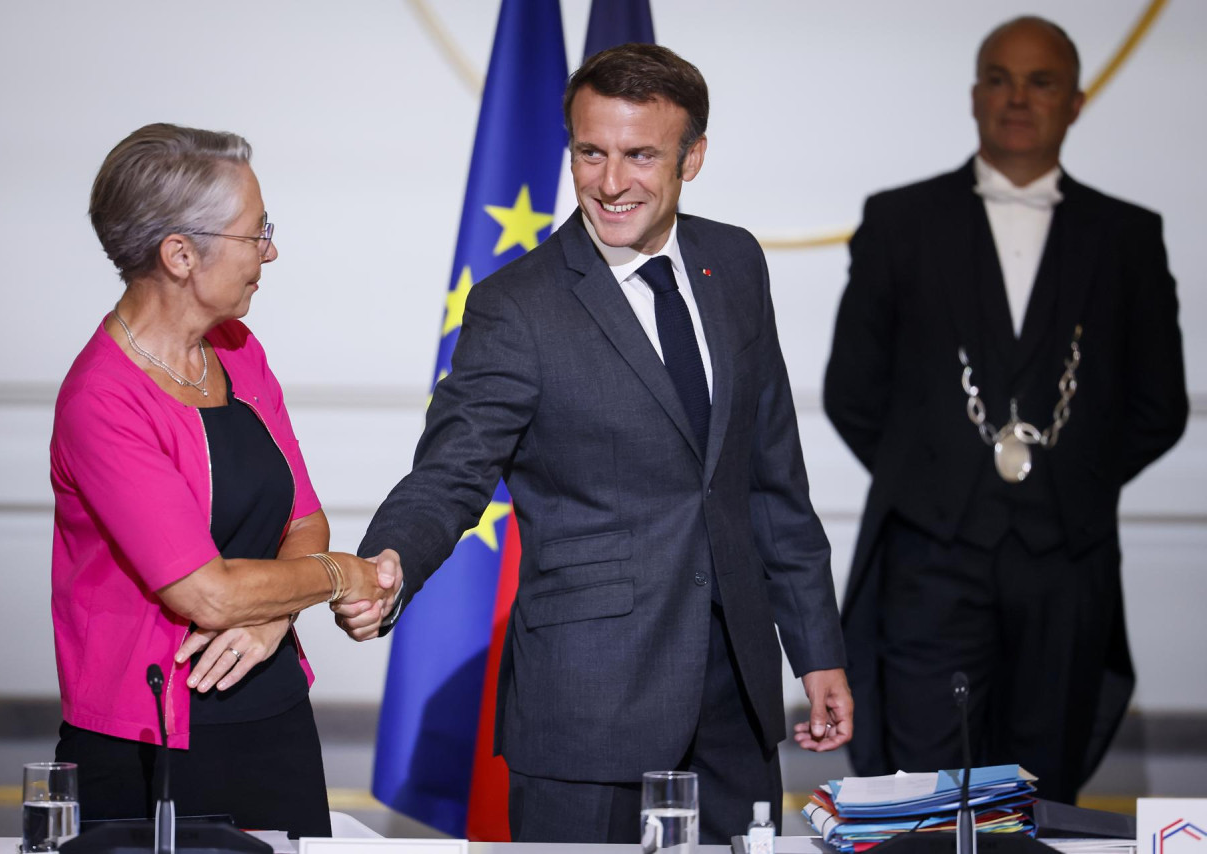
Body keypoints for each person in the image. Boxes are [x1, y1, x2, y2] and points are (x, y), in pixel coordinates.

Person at [337, 44, 852, 844]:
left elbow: (771, 477)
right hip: (589, 701)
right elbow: (452, 469)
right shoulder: (518, 306)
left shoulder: (736, 264)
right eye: (591, 152)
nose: (611, 183)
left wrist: (817, 650)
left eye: (641, 155)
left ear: (694, 158)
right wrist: (390, 562)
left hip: (734, 701)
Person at [824, 17, 1188, 803]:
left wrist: (1072, 487)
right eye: (999, 77)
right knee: (922, 796)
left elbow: (1159, 407)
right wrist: (938, 487)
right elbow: (851, 395)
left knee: (1042, 794)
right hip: (929, 563)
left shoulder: (1128, 236)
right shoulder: (899, 222)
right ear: (974, 95)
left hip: (1068, 564)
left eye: (1042, 80)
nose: (1018, 97)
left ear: (1077, 103)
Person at [49, 123, 395, 837]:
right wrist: (338, 578)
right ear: (180, 255)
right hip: (149, 741)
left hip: (272, 713)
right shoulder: (102, 400)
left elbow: (302, 518)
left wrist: (271, 618)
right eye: (254, 232)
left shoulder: (237, 348)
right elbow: (205, 592)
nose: (270, 250)